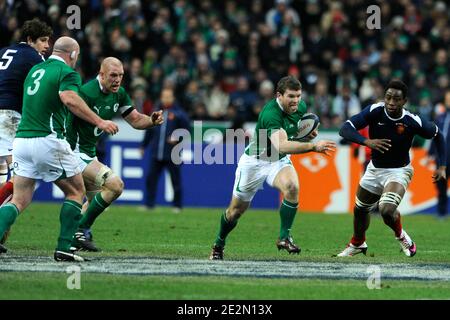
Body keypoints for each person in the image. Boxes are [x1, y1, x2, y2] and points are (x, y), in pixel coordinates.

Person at [0, 36, 119, 261]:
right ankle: (65, 247)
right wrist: (99, 121)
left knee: (19, 199)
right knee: (76, 192)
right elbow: (69, 98)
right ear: (72, 54)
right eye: (77, 56)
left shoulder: (35, 70)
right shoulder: (67, 73)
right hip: (48, 139)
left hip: (22, 141)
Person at [209, 76, 337, 260]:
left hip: (278, 160)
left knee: (292, 187)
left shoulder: (300, 108)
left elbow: (295, 133)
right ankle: (218, 244)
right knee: (235, 211)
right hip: (255, 161)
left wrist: (308, 135)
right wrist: (313, 146)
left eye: (298, 96)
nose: (296, 100)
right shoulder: (270, 114)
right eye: (291, 96)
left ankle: (284, 237)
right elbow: (282, 145)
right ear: (279, 95)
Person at [337, 79, 447, 257]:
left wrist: (442, 166)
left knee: (386, 209)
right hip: (374, 169)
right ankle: (357, 243)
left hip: (399, 171)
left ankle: (402, 237)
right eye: (388, 97)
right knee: (360, 209)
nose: (391, 103)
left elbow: (438, 135)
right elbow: (345, 128)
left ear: (404, 101)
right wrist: (366, 141)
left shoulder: (412, 120)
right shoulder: (375, 111)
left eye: (396, 99)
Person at [66, 57, 164, 252]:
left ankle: (74, 236)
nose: (117, 80)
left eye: (120, 75)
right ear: (101, 75)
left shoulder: (118, 94)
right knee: (115, 185)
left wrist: (151, 120)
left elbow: (136, 120)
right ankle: (80, 230)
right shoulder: (85, 93)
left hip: (89, 153)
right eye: (113, 75)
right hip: (73, 152)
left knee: (96, 201)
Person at [0, 18, 52, 207]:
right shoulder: (34, 58)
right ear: (30, 39)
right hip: (8, 116)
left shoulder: (3, 52)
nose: (47, 45)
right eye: (43, 40)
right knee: (21, 176)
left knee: (4, 175)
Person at [140, 87, 191, 213]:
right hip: (156, 152)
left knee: (175, 180)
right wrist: (143, 146)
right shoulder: (156, 112)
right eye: (164, 96)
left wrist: (177, 137)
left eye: (169, 96)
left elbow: (187, 131)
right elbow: (149, 131)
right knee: (151, 178)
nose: (166, 99)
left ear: (173, 98)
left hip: (173, 153)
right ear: (161, 98)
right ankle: (149, 204)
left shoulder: (180, 114)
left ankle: (177, 205)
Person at [429, 89, 450, 218]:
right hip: (442, 159)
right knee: (441, 186)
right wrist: (430, 153)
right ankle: (442, 212)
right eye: (448, 99)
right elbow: (434, 136)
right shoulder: (440, 117)